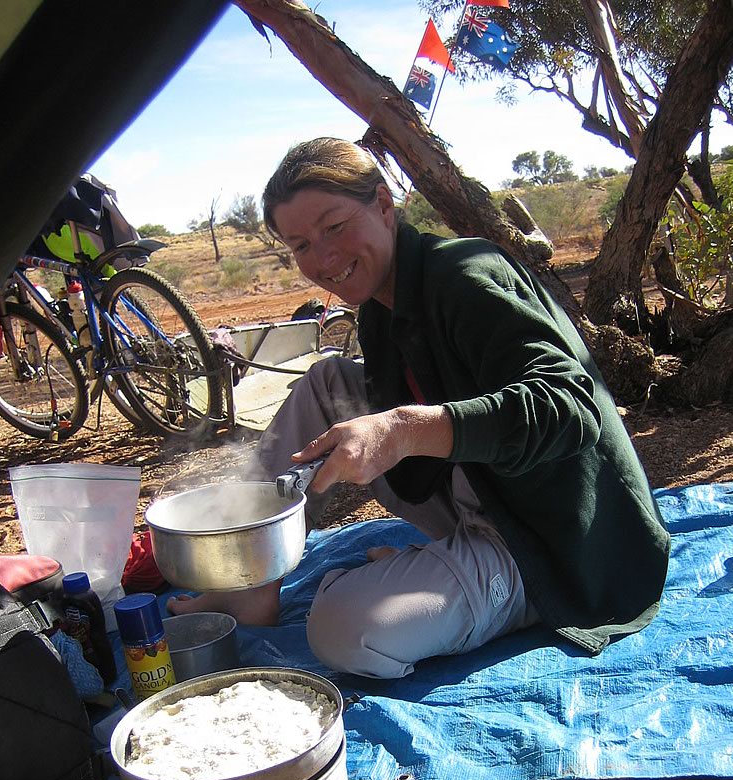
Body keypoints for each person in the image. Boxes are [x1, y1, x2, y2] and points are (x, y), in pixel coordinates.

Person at [167, 137, 670, 679]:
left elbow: (571, 407)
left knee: (342, 627)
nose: (324, 258)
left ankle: (499, 589)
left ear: (384, 205)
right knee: (324, 383)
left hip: (549, 537)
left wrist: (403, 431)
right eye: (301, 245)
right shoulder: (383, 306)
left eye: (334, 227)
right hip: (479, 490)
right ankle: (252, 582)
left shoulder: (463, 276)